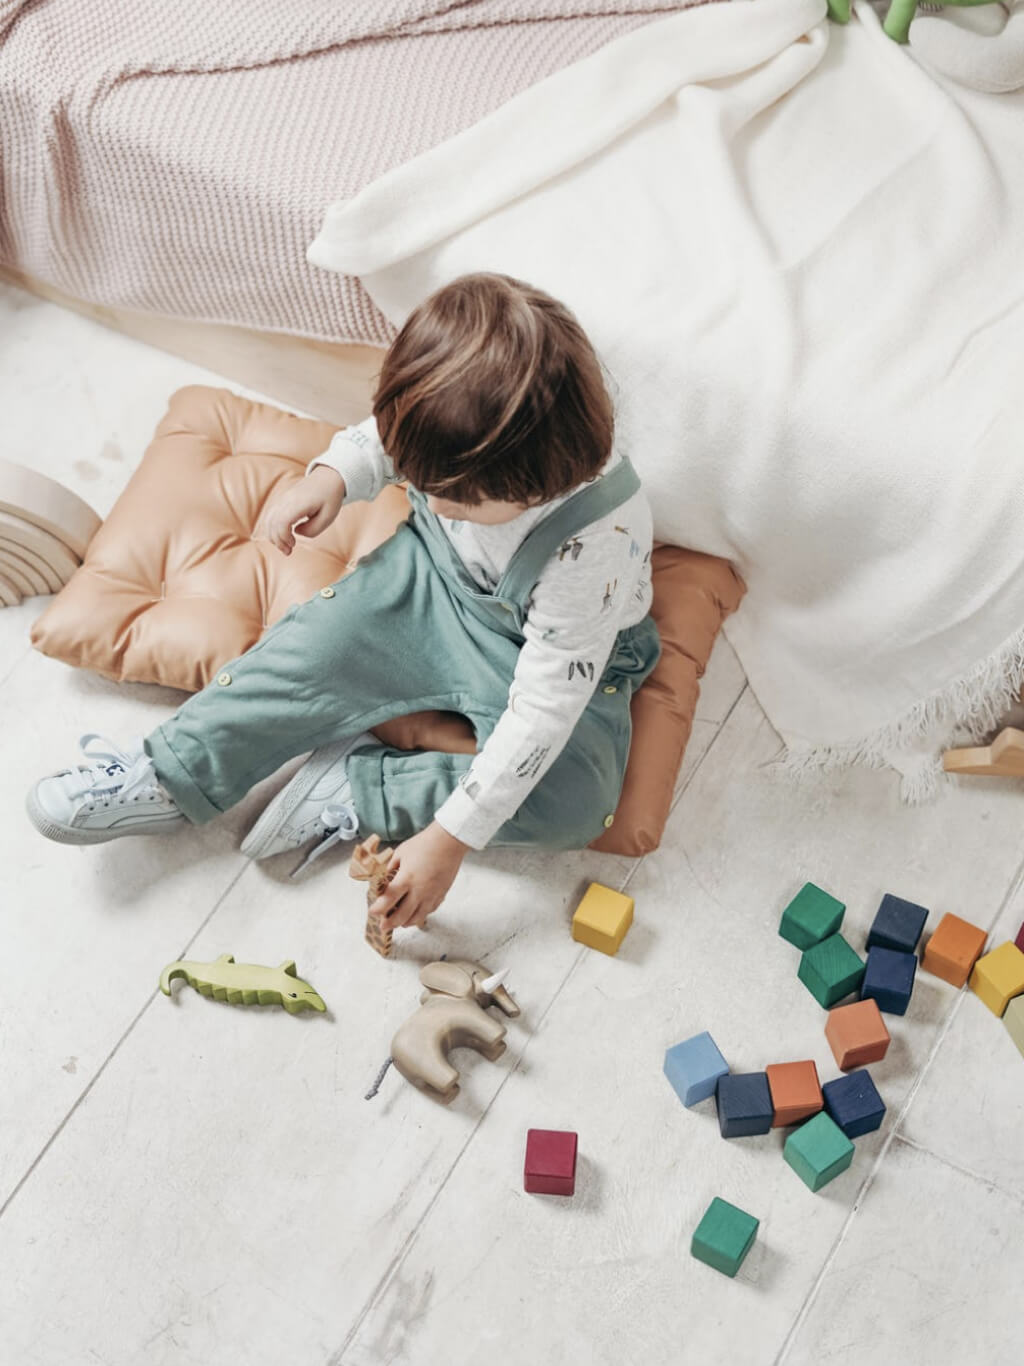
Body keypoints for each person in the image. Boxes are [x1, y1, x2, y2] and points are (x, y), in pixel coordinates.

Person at [25, 272, 660, 931]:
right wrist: (335, 475)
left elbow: (541, 715)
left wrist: (450, 840)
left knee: (579, 797)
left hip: (553, 659)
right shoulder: (455, 432)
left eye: (458, 499)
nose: (431, 502)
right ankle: (173, 771)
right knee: (310, 647)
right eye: (419, 479)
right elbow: (390, 439)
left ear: (535, 483)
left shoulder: (594, 548)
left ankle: (364, 788)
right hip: (428, 583)